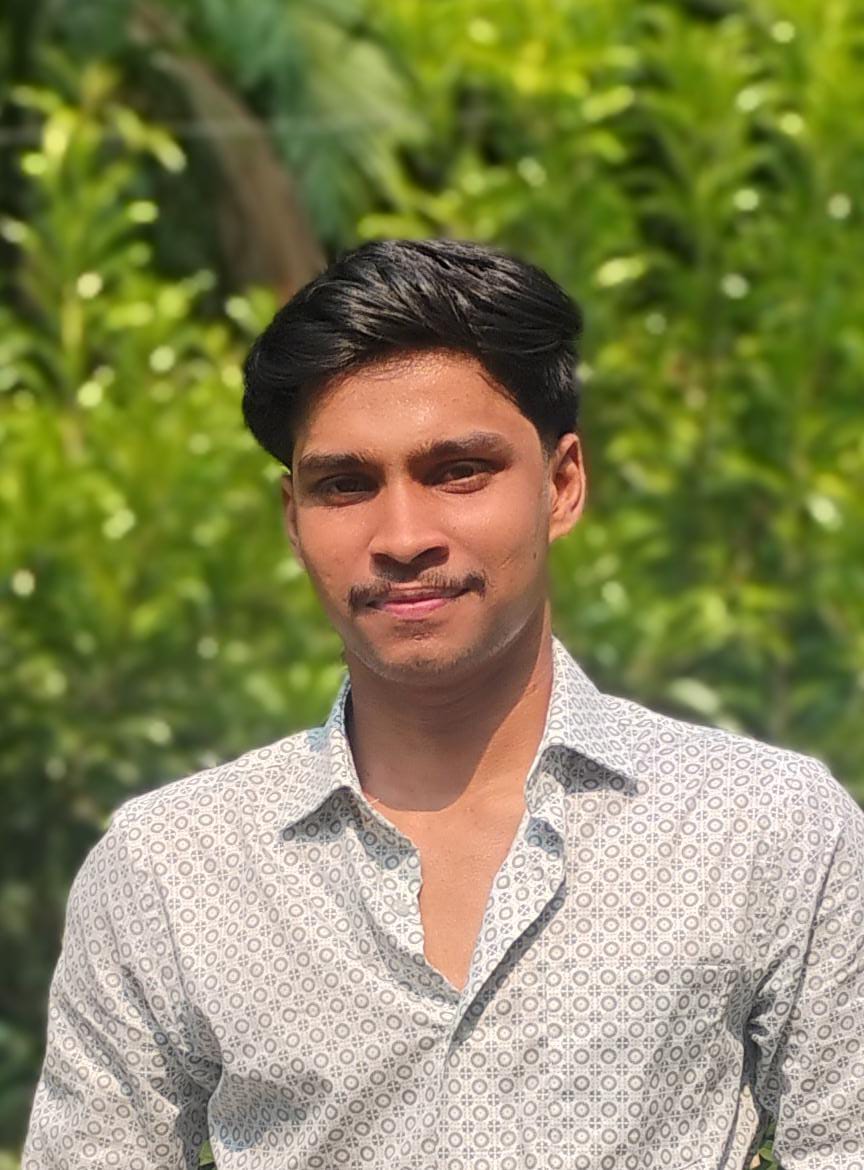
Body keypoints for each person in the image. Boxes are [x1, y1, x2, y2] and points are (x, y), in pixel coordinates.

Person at [22, 238, 864, 1170]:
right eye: (345, 485)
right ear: (293, 520)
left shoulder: (766, 827)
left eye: (459, 471)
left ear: (562, 484)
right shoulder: (170, 868)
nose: (403, 536)